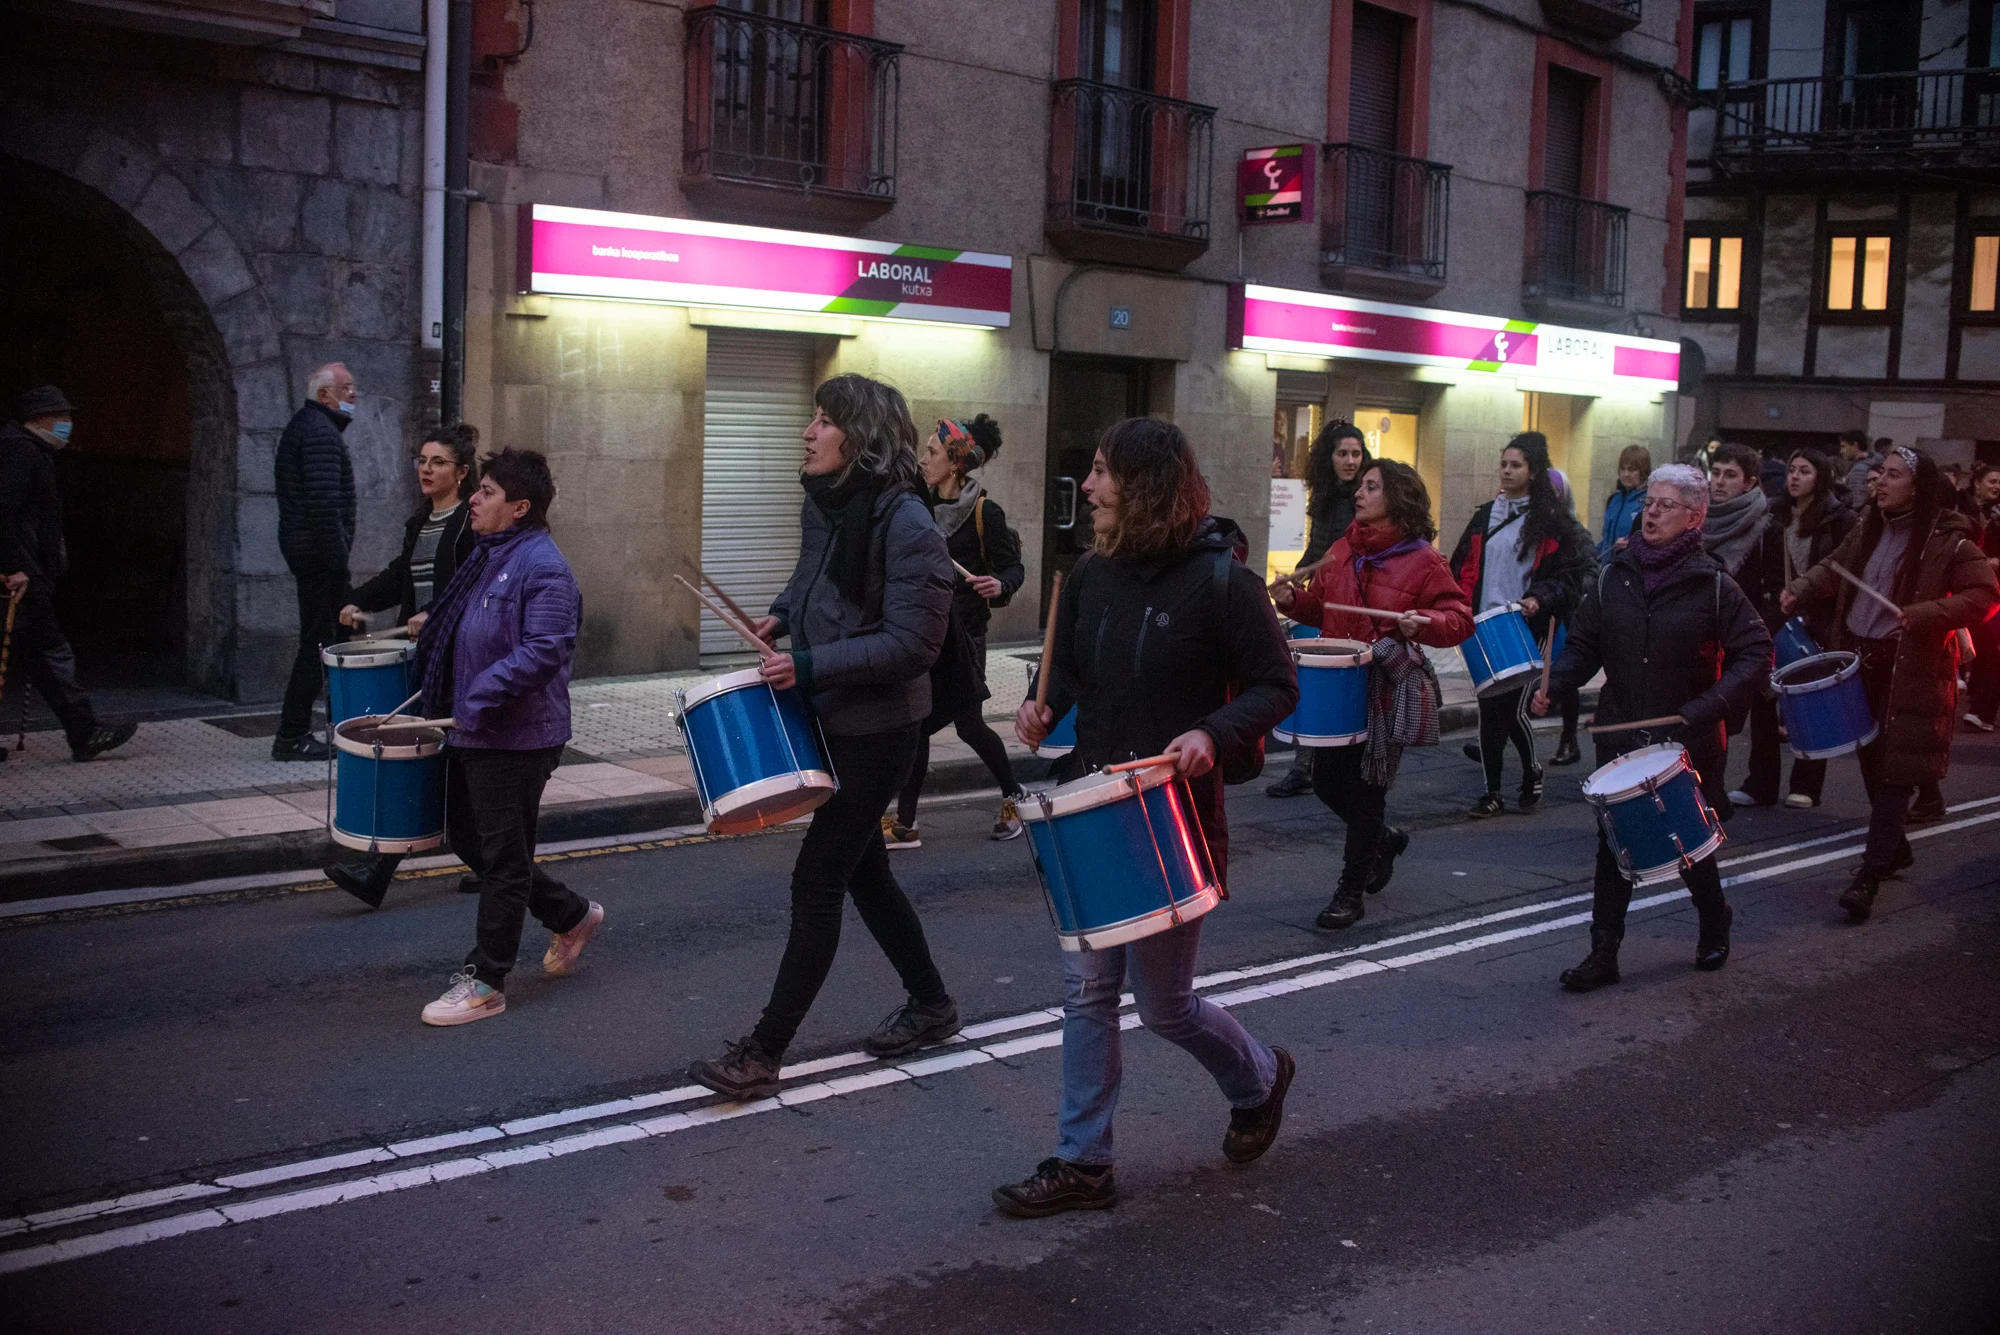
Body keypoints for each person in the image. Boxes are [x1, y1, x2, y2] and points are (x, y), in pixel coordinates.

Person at [997, 417, 1299, 1218]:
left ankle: (1260, 1076)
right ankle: (1084, 1161)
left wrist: (1212, 732)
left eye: (1103, 472)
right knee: (1089, 992)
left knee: (1165, 1005)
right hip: (1094, 808)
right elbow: (1068, 676)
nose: (1090, 487)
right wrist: (1040, 709)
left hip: (1173, 816)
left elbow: (1277, 685)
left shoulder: (1223, 581)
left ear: (1146, 487)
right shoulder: (1091, 577)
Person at [688, 374, 958, 1099]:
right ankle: (932, 1002)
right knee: (865, 873)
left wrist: (808, 664)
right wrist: (782, 615)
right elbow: (811, 581)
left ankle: (763, 1051)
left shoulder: (909, 524)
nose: (807, 432)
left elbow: (913, 644)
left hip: (881, 728)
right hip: (830, 714)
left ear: (861, 437)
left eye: (823, 421)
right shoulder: (826, 504)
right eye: (811, 418)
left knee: (818, 879)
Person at [1534, 463, 1770, 991]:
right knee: (1614, 842)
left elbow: (1756, 652)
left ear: (1694, 517)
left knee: (1686, 839)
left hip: (1686, 737)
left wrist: (1708, 705)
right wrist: (1557, 684)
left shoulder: (1714, 585)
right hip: (1621, 731)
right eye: (1649, 503)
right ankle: (1603, 952)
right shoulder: (1613, 576)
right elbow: (1583, 647)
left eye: (1666, 505)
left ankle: (1714, 918)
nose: (1652, 513)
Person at [412, 448, 604, 1026]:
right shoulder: (488, 557)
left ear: (519, 507)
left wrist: (477, 695)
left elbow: (546, 649)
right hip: (473, 728)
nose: (473, 498)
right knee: (472, 842)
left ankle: (486, 982)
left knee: (500, 861)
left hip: (517, 736)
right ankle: (570, 914)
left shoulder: (543, 567)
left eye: (488, 491)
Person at [1782, 447, 1998, 922]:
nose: (1880, 482)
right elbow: (1834, 567)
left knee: (1894, 770)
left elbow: (1984, 596)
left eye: (1893, 475)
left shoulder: (1950, 540)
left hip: (1911, 667)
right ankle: (1894, 848)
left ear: (1918, 488)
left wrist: (1924, 614)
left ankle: (1870, 874)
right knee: (1870, 757)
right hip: (1860, 659)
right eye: (1880, 473)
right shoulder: (1869, 526)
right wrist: (1802, 588)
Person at [1272, 459, 1472, 929]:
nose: (1359, 493)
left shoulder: (1425, 561)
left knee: (1366, 795)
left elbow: (1460, 620)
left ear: (1397, 498)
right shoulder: (1342, 550)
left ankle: (1350, 892)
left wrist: (1426, 623)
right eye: (1360, 486)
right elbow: (1323, 611)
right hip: (1339, 690)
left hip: (1383, 692)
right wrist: (1292, 601)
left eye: (1371, 486)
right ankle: (1384, 839)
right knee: (1326, 783)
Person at [323, 423, 483, 908]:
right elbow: (400, 577)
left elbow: (471, 586)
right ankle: (490, 864)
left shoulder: (470, 523)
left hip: (457, 657)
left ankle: (379, 872)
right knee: (430, 758)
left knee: (437, 761)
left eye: (438, 462)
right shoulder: (421, 523)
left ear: (462, 472)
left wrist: (434, 614)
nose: (426, 470)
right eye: (422, 461)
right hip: (425, 659)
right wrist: (357, 600)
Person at [885, 415, 1027, 848]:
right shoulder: (921, 506)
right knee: (917, 723)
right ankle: (906, 823)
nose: (923, 459)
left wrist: (1000, 584)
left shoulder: (985, 512)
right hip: (930, 634)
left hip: (966, 637)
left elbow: (1013, 567)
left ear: (955, 463)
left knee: (968, 725)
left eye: (932, 452)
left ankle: (1015, 795)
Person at [1447, 432, 1594, 817]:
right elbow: (1460, 565)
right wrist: (1458, 605)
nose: (1507, 471)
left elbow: (1569, 576)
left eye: (1516, 465)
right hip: (1483, 625)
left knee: (1510, 710)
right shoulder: (1484, 516)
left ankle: (1530, 771)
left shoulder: (1553, 523)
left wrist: (1539, 598)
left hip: (1524, 625)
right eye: (1504, 464)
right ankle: (1492, 792)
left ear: (1533, 471)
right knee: (1488, 709)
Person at [0, 385, 135, 762]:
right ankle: (85, 731)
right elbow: (4, 512)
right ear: (40, 417)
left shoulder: (25, 449)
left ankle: (83, 730)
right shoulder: (21, 452)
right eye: (62, 416)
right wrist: (13, 567)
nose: (67, 423)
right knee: (50, 651)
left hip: (26, 571)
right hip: (23, 577)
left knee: (39, 653)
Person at [1727, 448, 1855, 808]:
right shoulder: (1774, 516)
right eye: (1792, 470)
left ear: (1821, 477)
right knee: (1764, 700)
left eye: (1805, 471)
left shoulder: (1840, 519)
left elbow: (1844, 572)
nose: (1795, 477)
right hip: (1774, 616)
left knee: (1810, 700)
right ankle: (1760, 783)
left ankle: (1807, 785)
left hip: (1818, 621)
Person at [1267, 421, 1371, 799]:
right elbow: (1317, 549)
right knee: (1311, 684)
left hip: (1354, 605)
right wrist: (1295, 578)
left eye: (1356, 454)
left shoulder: (1365, 498)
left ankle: (1337, 770)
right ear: (1329, 457)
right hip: (1325, 598)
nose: (1350, 461)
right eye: (1342, 454)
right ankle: (1306, 767)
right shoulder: (1326, 497)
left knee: (1334, 686)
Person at [273, 362, 360, 761]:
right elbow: (324, 505)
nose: (353, 395)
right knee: (319, 643)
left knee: (330, 638)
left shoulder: (308, 427)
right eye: (346, 388)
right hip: (319, 555)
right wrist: (338, 561)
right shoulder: (320, 433)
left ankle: (339, 725)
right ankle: (292, 735)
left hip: (309, 551)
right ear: (324, 395)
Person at [1963, 461, 2000, 732]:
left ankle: (1984, 712)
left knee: (1990, 648)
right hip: (1966, 588)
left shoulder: (1996, 516)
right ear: (1977, 483)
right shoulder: (1962, 509)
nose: (1997, 487)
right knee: (1977, 646)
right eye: (1993, 481)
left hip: (1993, 591)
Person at [1598, 445, 1652, 561]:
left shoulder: (1650, 502)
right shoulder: (1614, 500)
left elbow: (1656, 543)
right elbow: (1606, 541)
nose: (1626, 474)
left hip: (1632, 567)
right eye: (1622, 469)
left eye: (1631, 469)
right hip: (1608, 568)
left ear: (1643, 471)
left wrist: (1631, 545)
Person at [1836, 430, 1881, 511]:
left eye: (1844, 446)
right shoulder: (1870, 462)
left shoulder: (1859, 469)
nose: (1841, 451)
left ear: (1855, 445)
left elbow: (1856, 502)